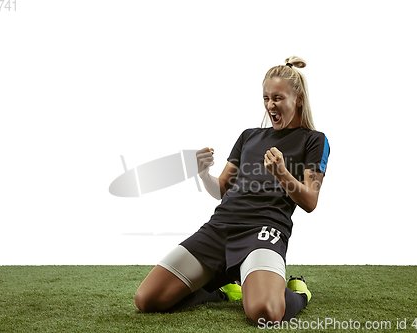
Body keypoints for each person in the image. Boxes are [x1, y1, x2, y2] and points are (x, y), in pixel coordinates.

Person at [134, 56, 330, 324]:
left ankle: (299, 292)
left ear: (298, 99)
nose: (270, 105)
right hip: (220, 228)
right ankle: (221, 291)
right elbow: (221, 190)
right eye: (266, 98)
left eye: (278, 98)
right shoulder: (249, 136)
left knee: (265, 313)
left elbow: (310, 200)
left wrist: (282, 174)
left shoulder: (314, 140)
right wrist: (203, 174)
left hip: (264, 230)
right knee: (147, 300)